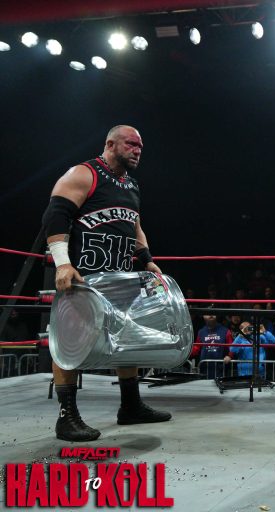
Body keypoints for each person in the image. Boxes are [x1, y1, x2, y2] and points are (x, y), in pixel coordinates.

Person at [41, 125, 171, 442]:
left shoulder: (131, 185)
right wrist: (63, 263)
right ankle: (67, 417)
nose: (137, 150)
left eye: (140, 146)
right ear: (110, 144)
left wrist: (148, 260)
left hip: (120, 277)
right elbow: (55, 215)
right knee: (70, 341)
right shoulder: (84, 174)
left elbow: (134, 227)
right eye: (131, 144)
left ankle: (130, 406)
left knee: (127, 338)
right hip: (83, 277)